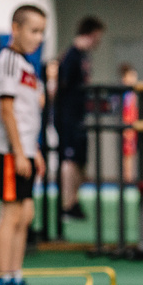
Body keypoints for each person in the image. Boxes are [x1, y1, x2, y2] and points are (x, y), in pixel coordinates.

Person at [0, 4, 50, 285]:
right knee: (10, 215)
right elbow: (7, 111)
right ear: (16, 28)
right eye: (33, 30)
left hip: (24, 150)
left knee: (25, 214)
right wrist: (20, 153)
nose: (38, 37)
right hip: (8, 151)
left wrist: (34, 151)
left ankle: (15, 277)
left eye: (41, 32)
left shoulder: (26, 65)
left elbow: (28, 115)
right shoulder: (8, 61)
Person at [55, 15, 105, 221]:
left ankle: (73, 201)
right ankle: (67, 205)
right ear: (92, 34)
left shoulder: (84, 56)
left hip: (78, 117)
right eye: (98, 37)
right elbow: (60, 85)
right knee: (70, 160)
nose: (99, 42)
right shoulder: (72, 56)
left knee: (80, 162)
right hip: (68, 117)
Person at [118, 63, 139, 184]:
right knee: (128, 155)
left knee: (132, 154)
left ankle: (130, 177)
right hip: (128, 127)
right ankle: (128, 179)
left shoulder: (133, 93)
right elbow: (125, 112)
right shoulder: (125, 94)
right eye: (131, 76)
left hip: (133, 126)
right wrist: (127, 129)